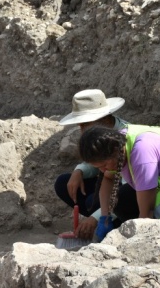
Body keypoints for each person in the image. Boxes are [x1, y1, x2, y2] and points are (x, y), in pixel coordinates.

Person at [55, 89, 139, 240]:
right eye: (80, 125)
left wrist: (96, 217)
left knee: (99, 202)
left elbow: (130, 189)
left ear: (105, 120)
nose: (82, 131)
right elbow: (100, 162)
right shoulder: (103, 133)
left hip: (130, 192)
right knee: (63, 183)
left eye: (85, 125)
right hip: (110, 183)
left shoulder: (126, 138)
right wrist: (79, 170)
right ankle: (103, 220)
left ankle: (109, 222)